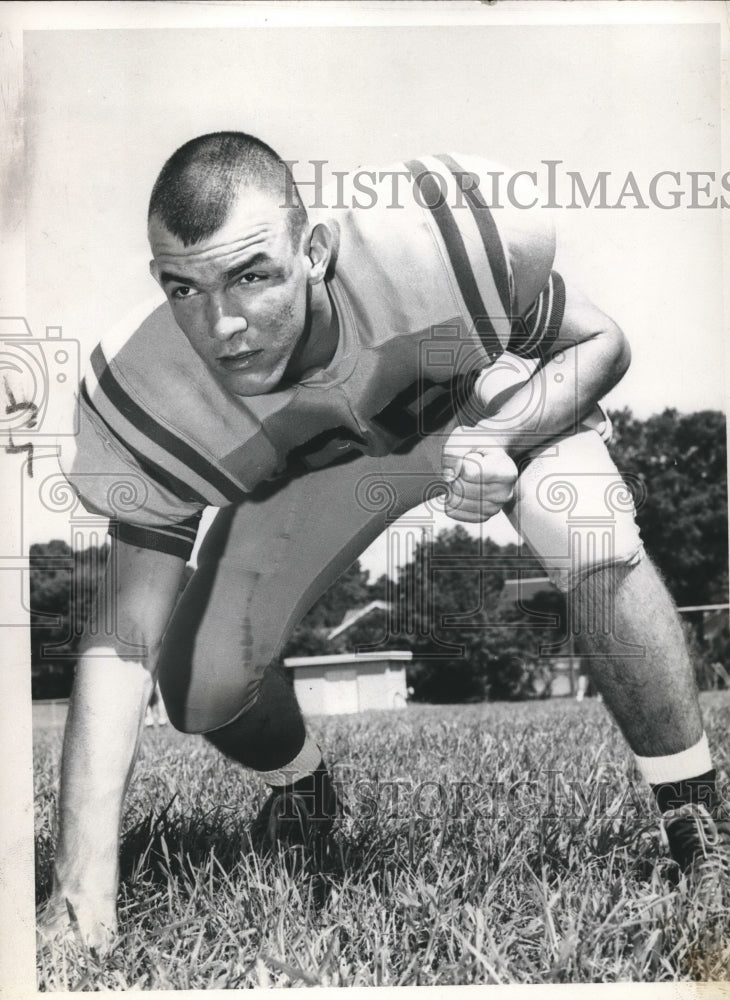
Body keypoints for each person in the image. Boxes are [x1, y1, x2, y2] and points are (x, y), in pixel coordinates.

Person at [37, 132, 728, 949]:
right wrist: (82, 893)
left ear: (317, 251)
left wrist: (512, 431)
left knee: (588, 524)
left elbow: (598, 341)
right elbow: (124, 638)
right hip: (311, 475)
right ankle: (305, 793)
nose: (221, 324)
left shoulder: (433, 243)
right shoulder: (147, 389)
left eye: (252, 275)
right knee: (201, 686)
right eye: (184, 287)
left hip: (469, 404)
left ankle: (695, 817)